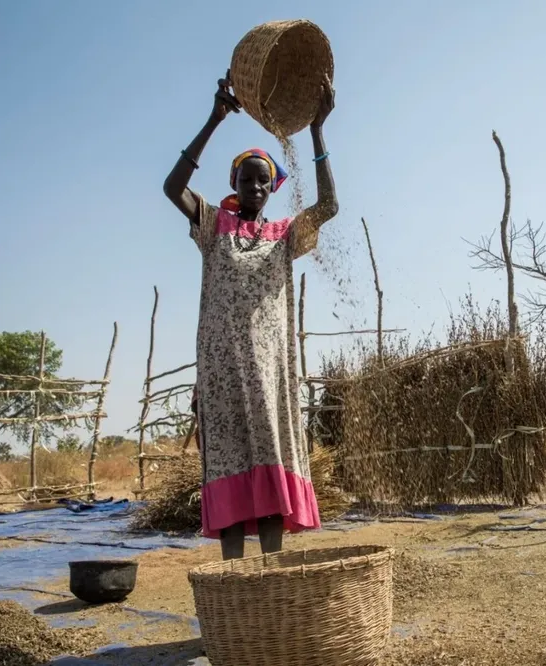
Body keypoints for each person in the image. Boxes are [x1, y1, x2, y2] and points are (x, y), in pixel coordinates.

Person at [163, 71, 339, 560]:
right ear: (235, 186)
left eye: (264, 180)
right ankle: (235, 583)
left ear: (272, 188)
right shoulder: (213, 227)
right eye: (247, 179)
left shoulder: (284, 236)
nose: (256, 186)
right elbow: (172, 186)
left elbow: (328, 206)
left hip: (270, 374)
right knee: (230, 476)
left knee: (266, 477)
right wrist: (213, 119)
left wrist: (318, 131)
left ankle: (271, 579)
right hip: (221, 375)